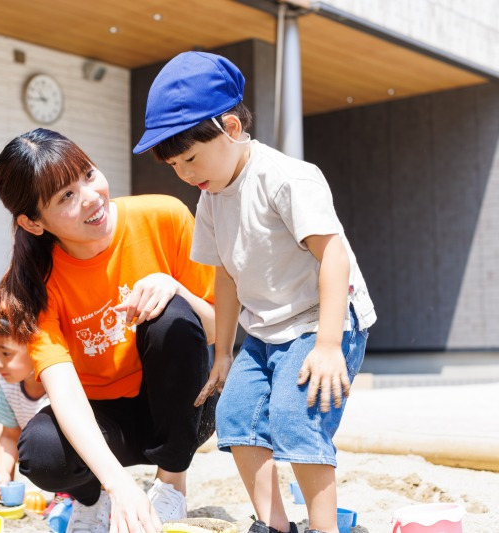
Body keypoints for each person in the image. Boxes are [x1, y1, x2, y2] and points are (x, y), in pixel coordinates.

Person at [133, 51, 377, 533]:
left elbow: (334, 256)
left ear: (230, 128)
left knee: (295, 416)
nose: (184, 173)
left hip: (321, 321)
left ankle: (324, 527)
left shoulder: (286, 179)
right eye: (174, 165)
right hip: (265, 330)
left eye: (190, 158)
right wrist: (222, 351)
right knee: (236, 413)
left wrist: (328, 346)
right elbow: (226, 275)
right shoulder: (210, 195)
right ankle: (275, 525)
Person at [0, 128, 217, 533]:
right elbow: (63, 392)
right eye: (66, 197)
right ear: (32, 222)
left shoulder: (164, 216)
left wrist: (177, 289)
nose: (92, 197)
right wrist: (118, 486)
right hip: (102, 418)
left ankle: (171, 485)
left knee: (171, 316)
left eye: (89, 174)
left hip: (181, 408)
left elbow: (221, 332)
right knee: (40, 452)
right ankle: (89, 497)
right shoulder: (32, 286)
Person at [0, 309, 49, 501]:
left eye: (6, 353)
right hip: (31, 446)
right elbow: (10, 435)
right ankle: (1, 479)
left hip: (59, 457)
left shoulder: (56, 384)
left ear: (35, 348)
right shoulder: (8, 385)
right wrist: (3, 472)